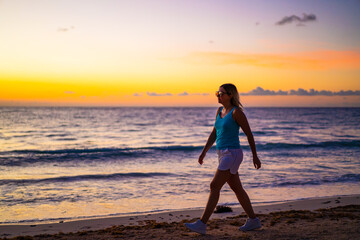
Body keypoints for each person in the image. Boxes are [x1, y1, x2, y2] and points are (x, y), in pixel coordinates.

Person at [185, 83, 262, 235]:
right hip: (222, 154)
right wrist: (204, 152)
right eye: (217, 93)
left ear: (230, 95)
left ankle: (202, 223)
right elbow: (214, 133)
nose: (218, 96)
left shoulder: (236, 112)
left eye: (221, 93)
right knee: (237, 189)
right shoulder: (219, 110)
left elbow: (249, 134)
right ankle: (253, 220)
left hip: (232, 154)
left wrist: (255, 155)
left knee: (214, 186)